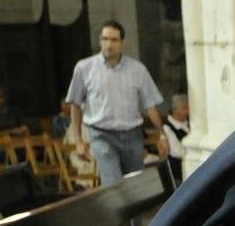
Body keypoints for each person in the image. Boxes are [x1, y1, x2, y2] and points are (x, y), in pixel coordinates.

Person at [66, 19, 168, 185]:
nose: (108, 44)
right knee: (113, 183)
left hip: (132, 134)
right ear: (100, 40)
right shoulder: (84, 68)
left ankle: (136, 211)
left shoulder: (137, 69)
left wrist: (162, 134)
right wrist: (78, 140)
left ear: (122, 43)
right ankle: (118, 210)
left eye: (113, 40)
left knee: (135, 184)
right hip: (101, 134)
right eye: (105, 39)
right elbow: (75, 104)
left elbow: (150, 105)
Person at [162, 93, 190, 184]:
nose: (188, 112)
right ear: (174, 110)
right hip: (179, 173)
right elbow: (177, 152)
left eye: (188, 108)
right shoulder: (167, 127)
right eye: (184, 109)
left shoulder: (190, 122)